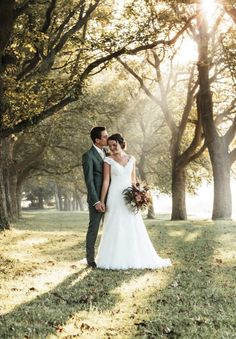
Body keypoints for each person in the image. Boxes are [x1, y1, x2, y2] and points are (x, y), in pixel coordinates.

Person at [96, 133, 172, 270]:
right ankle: (112, 257)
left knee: (132, 224)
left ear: (121, 144)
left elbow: (133, 181)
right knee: (115, 225)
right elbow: (106, 182)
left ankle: (134, 256)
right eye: (110, 145)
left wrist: (140, 195)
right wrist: (102, 200)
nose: (112, 148)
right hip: (114, 196)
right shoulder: (108, 161)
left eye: (115, 145)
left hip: (129, 197)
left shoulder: (131, 159)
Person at [82, 126, 108, 268]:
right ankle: (90, 259)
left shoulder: (107, 152)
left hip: (110, 198)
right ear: (97, 140)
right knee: (94, 228)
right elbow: (89, 181)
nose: (107, 138)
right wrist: (96, 201)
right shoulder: (88, 156)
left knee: (111, 227)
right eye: (104, 137)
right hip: (97, 200)